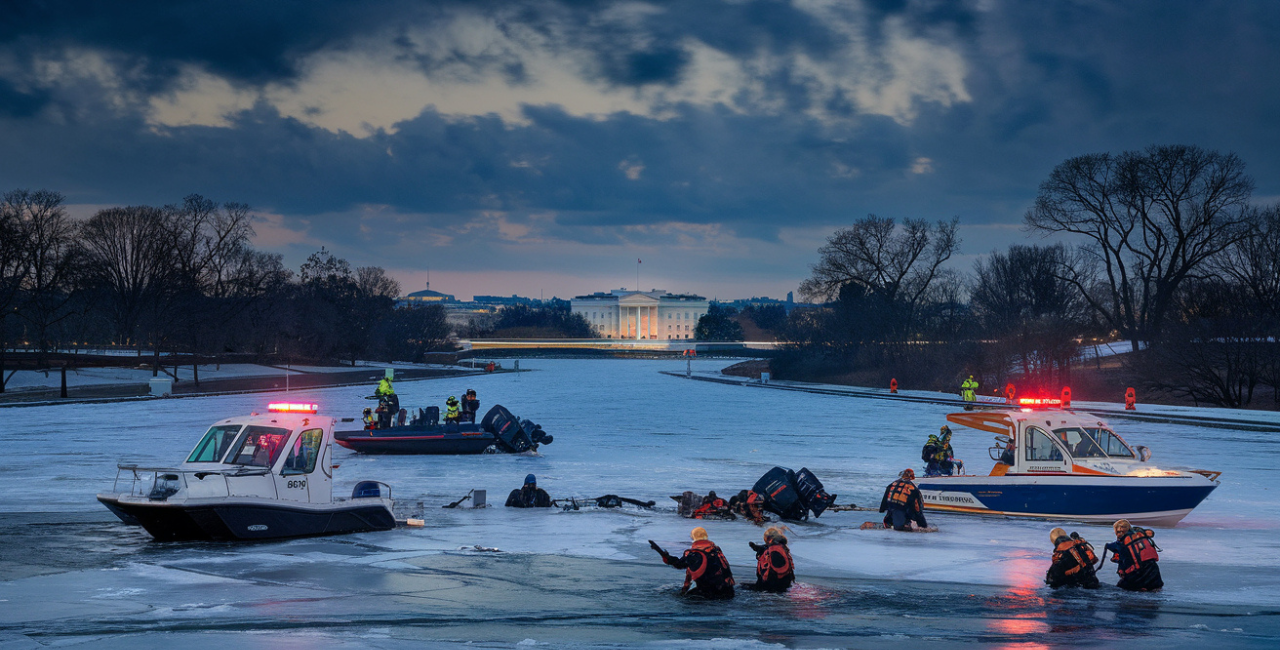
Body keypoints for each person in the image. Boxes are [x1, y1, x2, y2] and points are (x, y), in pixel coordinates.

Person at [650, 527, 735, 599]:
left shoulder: (693, 553)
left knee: (684, 600)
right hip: (728, 591)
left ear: (693, 537)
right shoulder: (716, 549)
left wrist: (664, 556)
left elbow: (679, 564)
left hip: (710, 592)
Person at [1105, 519, 1163, 591]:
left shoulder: (1121, 543)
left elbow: (1113, 549)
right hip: (1155, 575)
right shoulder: (1141, 536)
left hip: (1139, 575)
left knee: (1120, 589)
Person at [745, 527, 795, 593]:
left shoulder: (774, 550)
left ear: (769, 538)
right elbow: (764, 548)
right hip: (784, 583)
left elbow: (775, 571)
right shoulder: (781, 547)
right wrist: (755, 547)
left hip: (773, 585)